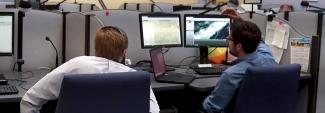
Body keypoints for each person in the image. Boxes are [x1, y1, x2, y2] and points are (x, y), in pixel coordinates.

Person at [20, 26, 160, 113]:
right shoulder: (137, 78)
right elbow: (154, 110)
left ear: (96, 48)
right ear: (124, 53)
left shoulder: (76, 65)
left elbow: (29, 100)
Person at [202, 9, 277, 113]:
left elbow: (212, 108)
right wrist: (242, 22)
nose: (227, 39)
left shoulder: (231, 74)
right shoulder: (268, 58)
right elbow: (260, 41)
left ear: (238, 46)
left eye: (230, 39)